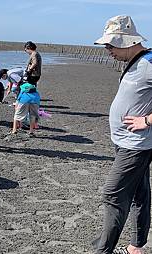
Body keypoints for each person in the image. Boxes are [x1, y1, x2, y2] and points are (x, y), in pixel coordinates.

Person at [92, 15, 152, 254]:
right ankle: (136, 246)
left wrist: (146, 120)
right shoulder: (136, 61)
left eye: (110, 44)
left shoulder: (148, 64)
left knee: (112, 194)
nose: (107, 49)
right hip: (126, 142)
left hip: (136, 145)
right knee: (139, 193)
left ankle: (103, 251)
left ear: (126, 41)